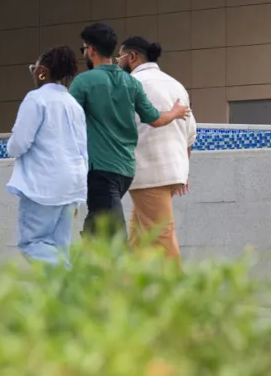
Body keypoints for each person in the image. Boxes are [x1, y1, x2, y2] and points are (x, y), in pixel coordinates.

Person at [69, 23, 190, 240]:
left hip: (100, 170)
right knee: (97, 225)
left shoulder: (83, 82)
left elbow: (64, 119)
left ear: (92, 50)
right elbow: (155, 119)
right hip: (126, 170)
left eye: (84, 49)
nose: (84, 53)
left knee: (114, 234)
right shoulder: (130, 83)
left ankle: (100, 269)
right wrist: (174, 112)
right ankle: (85, 267)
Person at [6, 45, 88, 267]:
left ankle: (72, 282)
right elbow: (83, 149)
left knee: (32, 243)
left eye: (34, 68)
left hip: (43, 185)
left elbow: (19, 143)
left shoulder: (36, 99)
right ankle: (65, 299)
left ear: (42, 71)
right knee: (59, 247)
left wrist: (10, 147)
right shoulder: (73, 104)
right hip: (73, 185)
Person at [118, 36, 197, 263]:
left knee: (162, 237)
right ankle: (130, 291)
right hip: (172, 172)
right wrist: (183, 171)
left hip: (147, 173)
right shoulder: (175, 85)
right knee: (138, 240)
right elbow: (189, 133)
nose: (118, 63)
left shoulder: (132, 84)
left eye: (119, 57)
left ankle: (182, 294)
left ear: (131, 57)